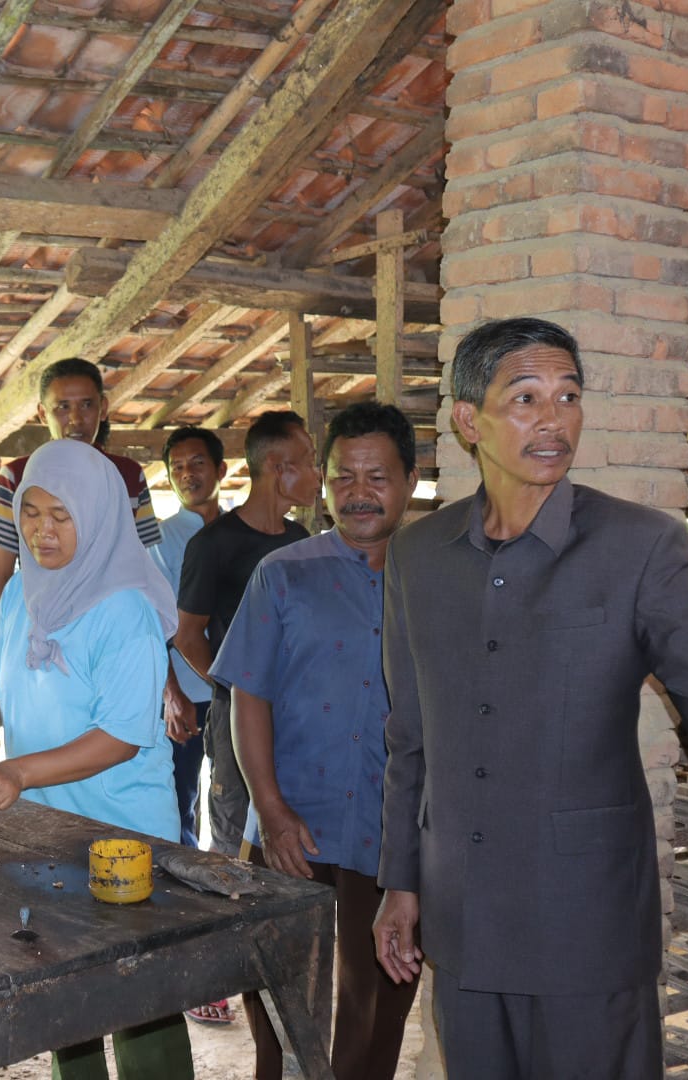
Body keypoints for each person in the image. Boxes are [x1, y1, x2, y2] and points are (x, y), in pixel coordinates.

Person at [372, 317, 688, 1079]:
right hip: (464, 916)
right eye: (526, 397)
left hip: (586, 922)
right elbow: (410, 736)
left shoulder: (638, 545)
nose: (553, 419)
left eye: (568, 396)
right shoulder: (417, 556)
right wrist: (402, 880)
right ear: (469, 420)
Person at [0, 438, 191, 1080]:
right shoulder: (21, 593)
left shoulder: (125, 610)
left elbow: (120, 737)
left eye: (62, 515)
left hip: (123, 830)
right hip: (47, 826)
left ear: (98, 515)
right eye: (31, 513)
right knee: (64, 988)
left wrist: (19, 771)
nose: (43, 531)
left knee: (140, 994)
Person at [215, 402, 420, 1079]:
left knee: (380, 989)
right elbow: (250, 696)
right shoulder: (282, 573)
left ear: (410, 481)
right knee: (277, 988)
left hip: (390, 829)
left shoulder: (435, 581)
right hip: (291, 822)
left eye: (377, 477)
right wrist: (270, 809)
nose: (359, 493)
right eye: (343, 478)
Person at [175, 411, 320, 864]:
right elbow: (187, 635)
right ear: (279, 468)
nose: (318, 474)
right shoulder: (213, 544)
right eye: (309, 461)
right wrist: (237, 689)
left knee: (291, 827)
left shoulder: (301, 540)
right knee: (235, 839)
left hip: (296, 715)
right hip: (237, 718)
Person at [0, 357, 161, 617]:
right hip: (39, 619)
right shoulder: (16, 476)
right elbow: (1, 574)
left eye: (87, 405)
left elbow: (141, 566)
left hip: (112, 619)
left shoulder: (129, 475)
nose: (76, 419)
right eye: (62, 407)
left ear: (103, 408)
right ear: (43, 414)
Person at [149, 426, 227, 848]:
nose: (187, 474)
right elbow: (154, 624)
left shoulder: (241, 532)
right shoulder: (161, 539)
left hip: (238, 693)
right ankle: (182, 880)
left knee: (232, 801)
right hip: (187, 693)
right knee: (180, 803)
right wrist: (170, 694)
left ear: (221, 469)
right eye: (176, 468)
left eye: (197, 463)